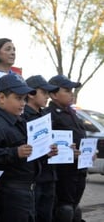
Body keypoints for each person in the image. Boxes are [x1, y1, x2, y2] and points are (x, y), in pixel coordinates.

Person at [0, 74, 39, 222]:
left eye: (24, 99)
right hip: (9, 193)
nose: (23, 103)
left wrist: (46, 150)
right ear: (1, 98)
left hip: (26, 189)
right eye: (18, 98)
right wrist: (15, 152)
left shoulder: (20, 121)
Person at [45, 75, 86, 222]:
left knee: (75, 209)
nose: (71, 93)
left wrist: (89, 152)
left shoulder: (73, 113)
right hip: (63, 174)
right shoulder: (49, 116)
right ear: (54, 94)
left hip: (79, 170)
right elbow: (48, 146)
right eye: (67, 90)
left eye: (72, 90)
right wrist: (66, 152)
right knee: (64, 210)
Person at [23, 75, 59, 222]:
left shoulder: (46, 115)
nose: (48, 97)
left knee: (46, 215)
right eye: (44, 93)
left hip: (49, 175)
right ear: (31, 94)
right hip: (33, 178)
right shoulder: (22, 116)